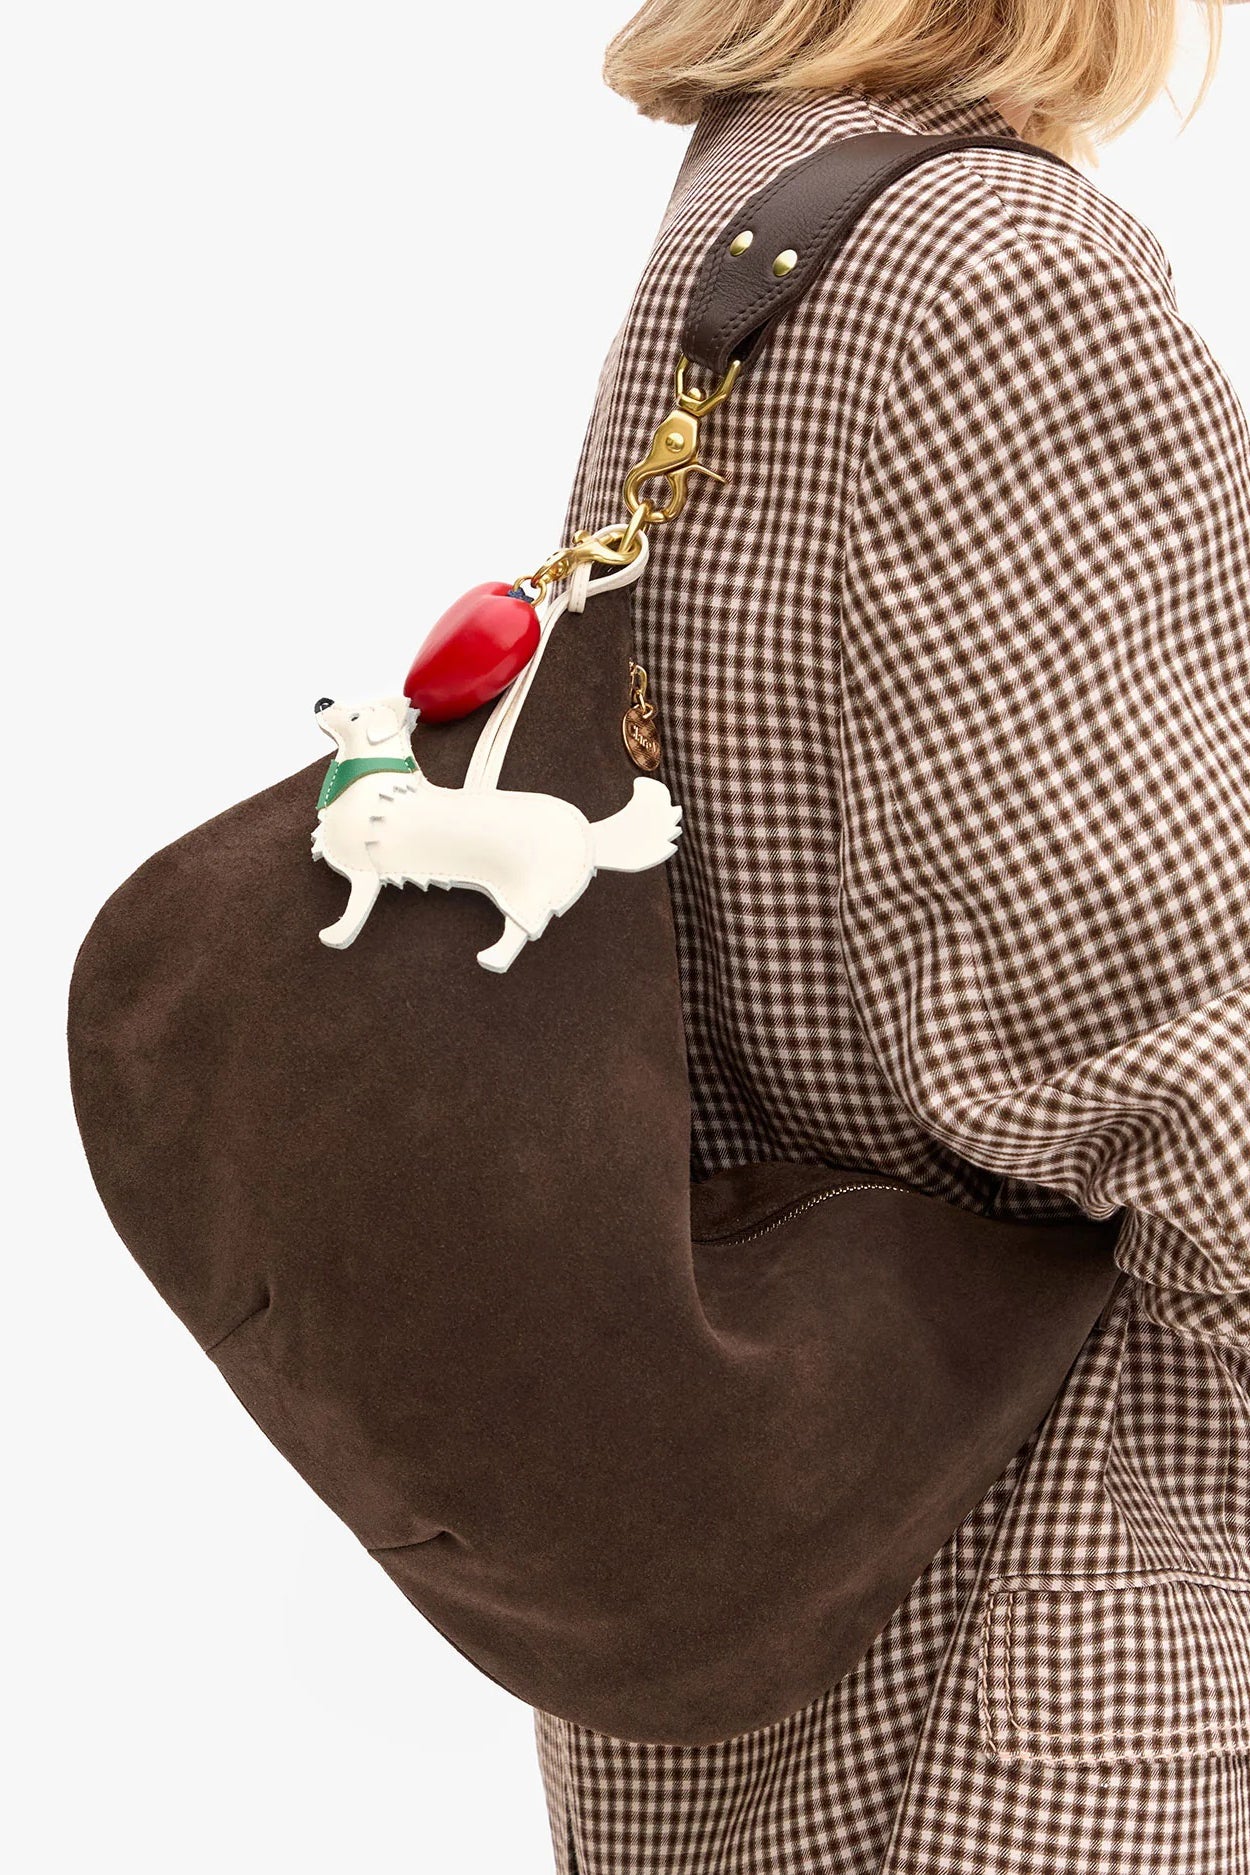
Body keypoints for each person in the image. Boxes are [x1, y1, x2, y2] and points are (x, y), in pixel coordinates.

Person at [530, 2, 1250, 1870]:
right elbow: (1146, 1006)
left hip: (770, 1598)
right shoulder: (994, 262)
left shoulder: (766, 209)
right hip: (1046, 1634)